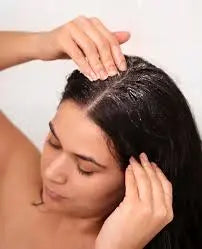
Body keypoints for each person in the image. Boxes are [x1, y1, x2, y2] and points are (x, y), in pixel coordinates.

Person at [0, 15, 201, 249]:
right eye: (54, 143)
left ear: (141, 179)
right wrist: (39, 44)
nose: (53, 173)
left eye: (85, 168)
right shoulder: (19, 179)